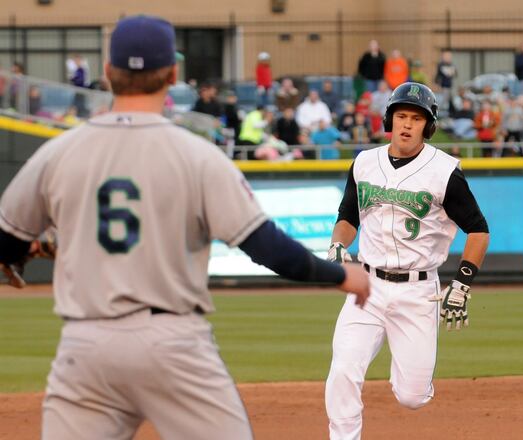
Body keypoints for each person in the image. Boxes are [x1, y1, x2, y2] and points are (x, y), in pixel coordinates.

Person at [0, 15, 369, 440]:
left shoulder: (56, 153)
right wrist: (341, 274)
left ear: (107, 72)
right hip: (173, 343)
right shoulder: (198, 157)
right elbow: (268, 248)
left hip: (85, 347)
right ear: (173, 76)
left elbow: (8, 239)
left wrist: (23, 251)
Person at [324, 82, 489, 440]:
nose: (407, 124)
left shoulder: (444, 171)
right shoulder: (365, 162)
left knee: (411, 396)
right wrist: (338, 245)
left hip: (418, 291)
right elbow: (348, 217)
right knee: (343, 370)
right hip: (366, 286)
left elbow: (478, 230)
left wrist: (461, 283)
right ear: (390, 119)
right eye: (401, 115)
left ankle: (412, 377)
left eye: (416, 118)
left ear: (427, 126)